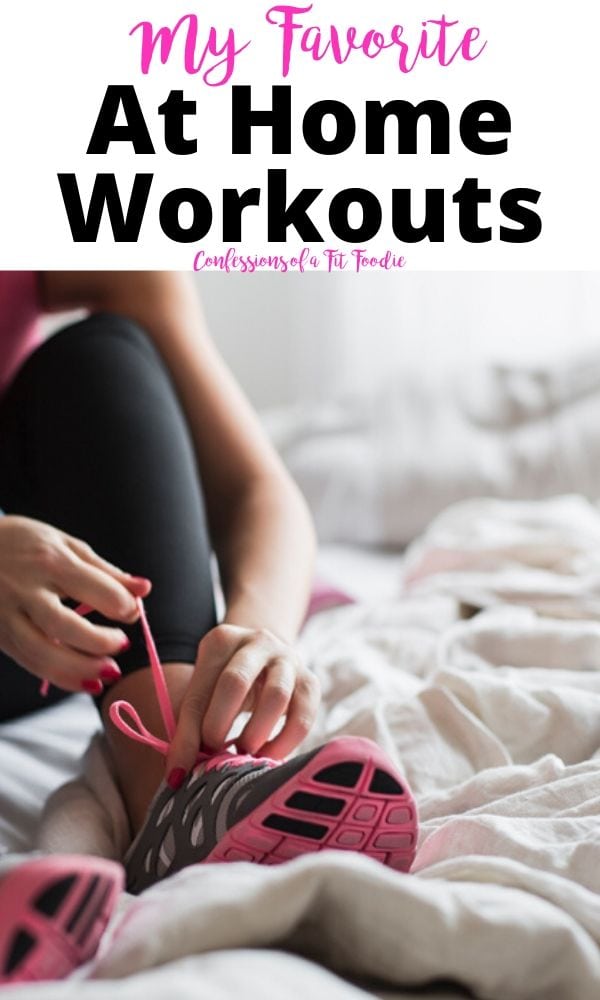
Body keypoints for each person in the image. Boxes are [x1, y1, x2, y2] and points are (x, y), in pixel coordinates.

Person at [0, 271, 418, 982]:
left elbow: (260, 493)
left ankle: (179, 786)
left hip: (28, 628)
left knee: (99, 361)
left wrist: (257, 636)